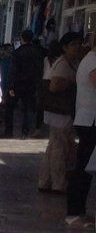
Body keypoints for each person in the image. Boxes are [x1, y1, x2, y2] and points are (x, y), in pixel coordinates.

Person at [39, 32, 81, 193]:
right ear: (65, 47)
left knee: (54, 146)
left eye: (78, 43)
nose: (77, 47)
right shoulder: (63, 64)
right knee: (59, 148)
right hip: (59, 111)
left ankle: (45, 181)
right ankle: (58, 182)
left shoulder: (71, 63)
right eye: (73, 44)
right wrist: (71, 84)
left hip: (59, 111)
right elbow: (54, 86)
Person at [67, 32, 96, 226]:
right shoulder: (92, 62)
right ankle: (75, 213)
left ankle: (79, 211)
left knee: (85, 167)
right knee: (83, 168)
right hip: (89, 121)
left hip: (88, 120)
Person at [4, 29, 45, 138]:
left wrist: (11, 86)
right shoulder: (37, 53)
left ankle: (9, 130)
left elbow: (13, 70)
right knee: (28, 108)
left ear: (22, 38)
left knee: (10, 107)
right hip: (31, 84)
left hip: (18, 83)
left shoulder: (17, 53)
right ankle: (25, 131)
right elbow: (40, 69)